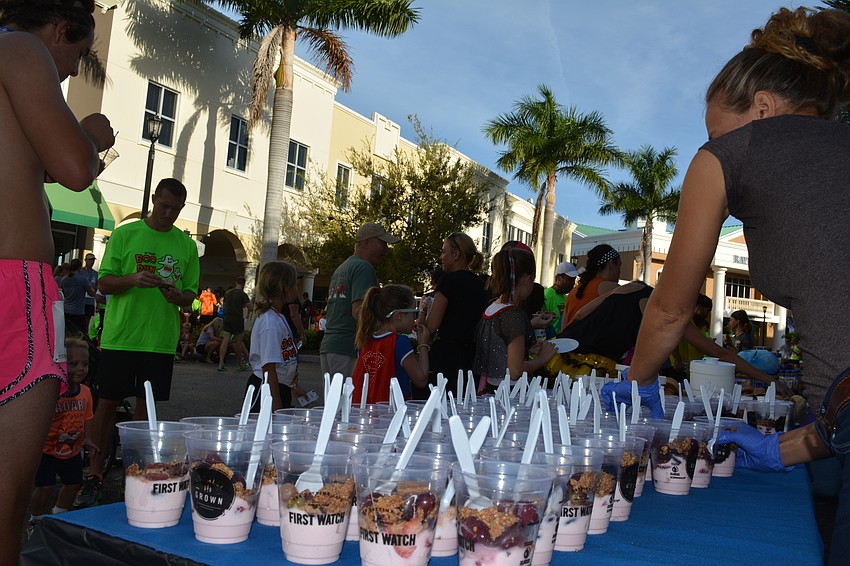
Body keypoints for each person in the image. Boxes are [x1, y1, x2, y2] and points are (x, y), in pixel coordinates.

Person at [605, 9, 850, 564]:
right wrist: (785, 449)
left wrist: (636, 381)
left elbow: (669, 311)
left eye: (714, 131)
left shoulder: (729, 156)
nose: (709, 143)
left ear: (761, 107)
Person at [0, 0, 114, 556]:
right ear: (59, 29)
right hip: (13, 285)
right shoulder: (20, 49)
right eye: (77, 53)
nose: (70, 70)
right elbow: (72, 167)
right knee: (9, 491)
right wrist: (89, 134)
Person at [76, 178, 199, 508]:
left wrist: (179, 297)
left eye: (175, 209)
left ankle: (137, 475)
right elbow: (104, 282)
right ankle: (93, 474)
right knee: (106, 405)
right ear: (154, 200)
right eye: (164, 206)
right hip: (121, 338)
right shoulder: (125, 233)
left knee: (147, 413)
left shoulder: (186, 246)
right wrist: (132, 279)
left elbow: (191, 294)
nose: (168, 213)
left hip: (159, 342)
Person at [28, 337, 97, 534]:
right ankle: (36, 520)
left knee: (74, 483)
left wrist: (88, 439)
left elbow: (88, 416)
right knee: (44, 486)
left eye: (84, 364)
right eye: (73, 364)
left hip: (72, 449)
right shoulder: (51, 391)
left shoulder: (85, 392)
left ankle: (59, 515)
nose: (81, 369)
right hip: (47, 449)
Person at [320, 223, 399, 378]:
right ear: (367, 242)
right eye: (382, 243)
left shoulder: (342, 268)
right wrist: (388, 325)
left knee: (335, 400)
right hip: (348, 347)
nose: (386, 249)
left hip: (330, 346)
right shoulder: (363, 268)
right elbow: (359, 311)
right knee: (351, 401)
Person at [473, 248, 557, 393]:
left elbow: (500, 343)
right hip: (512, 392)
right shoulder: (514, 315)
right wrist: (542, 359)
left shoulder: (493, 307)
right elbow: (515, 370)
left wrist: (526, 348)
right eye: (532, 280)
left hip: (491, 387)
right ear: (526, 279)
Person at [422, 232, 488, 398]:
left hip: (447, 357)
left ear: (456, 254)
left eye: (444, 252)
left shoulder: (448, 281)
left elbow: (431, 325)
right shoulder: (481, 285)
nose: (441, 257)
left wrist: (425, 310)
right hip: (472, 357)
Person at [352, 285, 430, 403]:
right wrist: (423, 345)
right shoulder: (399, 343)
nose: (415, 319)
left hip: (366, 409)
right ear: (398, 315)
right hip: (392, 411)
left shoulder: (365, 341)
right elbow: (421, 380)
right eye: (414, 313)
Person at [245, 262, 299, 411]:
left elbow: (283, 363)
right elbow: (269, 368)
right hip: (266, 389)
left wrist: (295, 387)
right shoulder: (271, 323)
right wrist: (276, 410)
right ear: (284, 289)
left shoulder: (277, 317)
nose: (297, 288)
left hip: (278, 386)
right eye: (294, 284)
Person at [561, 244, 621, 330]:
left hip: (570, 342)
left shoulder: (573, 291)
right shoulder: (613, 289)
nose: (619, 272)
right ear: (611, 264)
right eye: (619, 266)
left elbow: (563, 328)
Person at [670, 294, 713, 376]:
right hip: (680, 369)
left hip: (694, 370)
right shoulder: (684, 322)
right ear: (699, 307)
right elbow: (673, 343)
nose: (707, 315)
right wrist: (678, 360)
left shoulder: (701, 325)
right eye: (707, 310)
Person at [218, 276, 252, 371]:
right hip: (237, 318)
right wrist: (248, 313)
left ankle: (221, 363)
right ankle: (240, 364)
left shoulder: (228, 293)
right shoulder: (242, 294)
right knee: (239, 342)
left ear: (236, 282)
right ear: (244, 284)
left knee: (225, 340)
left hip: (227, 317)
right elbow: (250, 307)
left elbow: (224, 306)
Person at [543, 261, 579, 337]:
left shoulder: (566, 297)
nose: (573, 283)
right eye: (570, 279)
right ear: (559, 278)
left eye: (574, 279)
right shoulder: (547, 296)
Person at [61, 257, 95, 333]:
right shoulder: (83, 279)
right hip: (78, 312)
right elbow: (91, 293)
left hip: (66, 310)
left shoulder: (64, 279)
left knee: (67, 332)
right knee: (79, 334)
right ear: (80, 267)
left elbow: (62, 292)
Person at [81, 252, 98, 331]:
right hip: (81, 299)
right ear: (86, 260)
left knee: (87, 320)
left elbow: (98, 288)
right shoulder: (81, 271)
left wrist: (98, 303)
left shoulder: (95, 273)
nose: (92, 262)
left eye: (93, 260)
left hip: (90, 300)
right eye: (90, 260)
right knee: (81, 319)